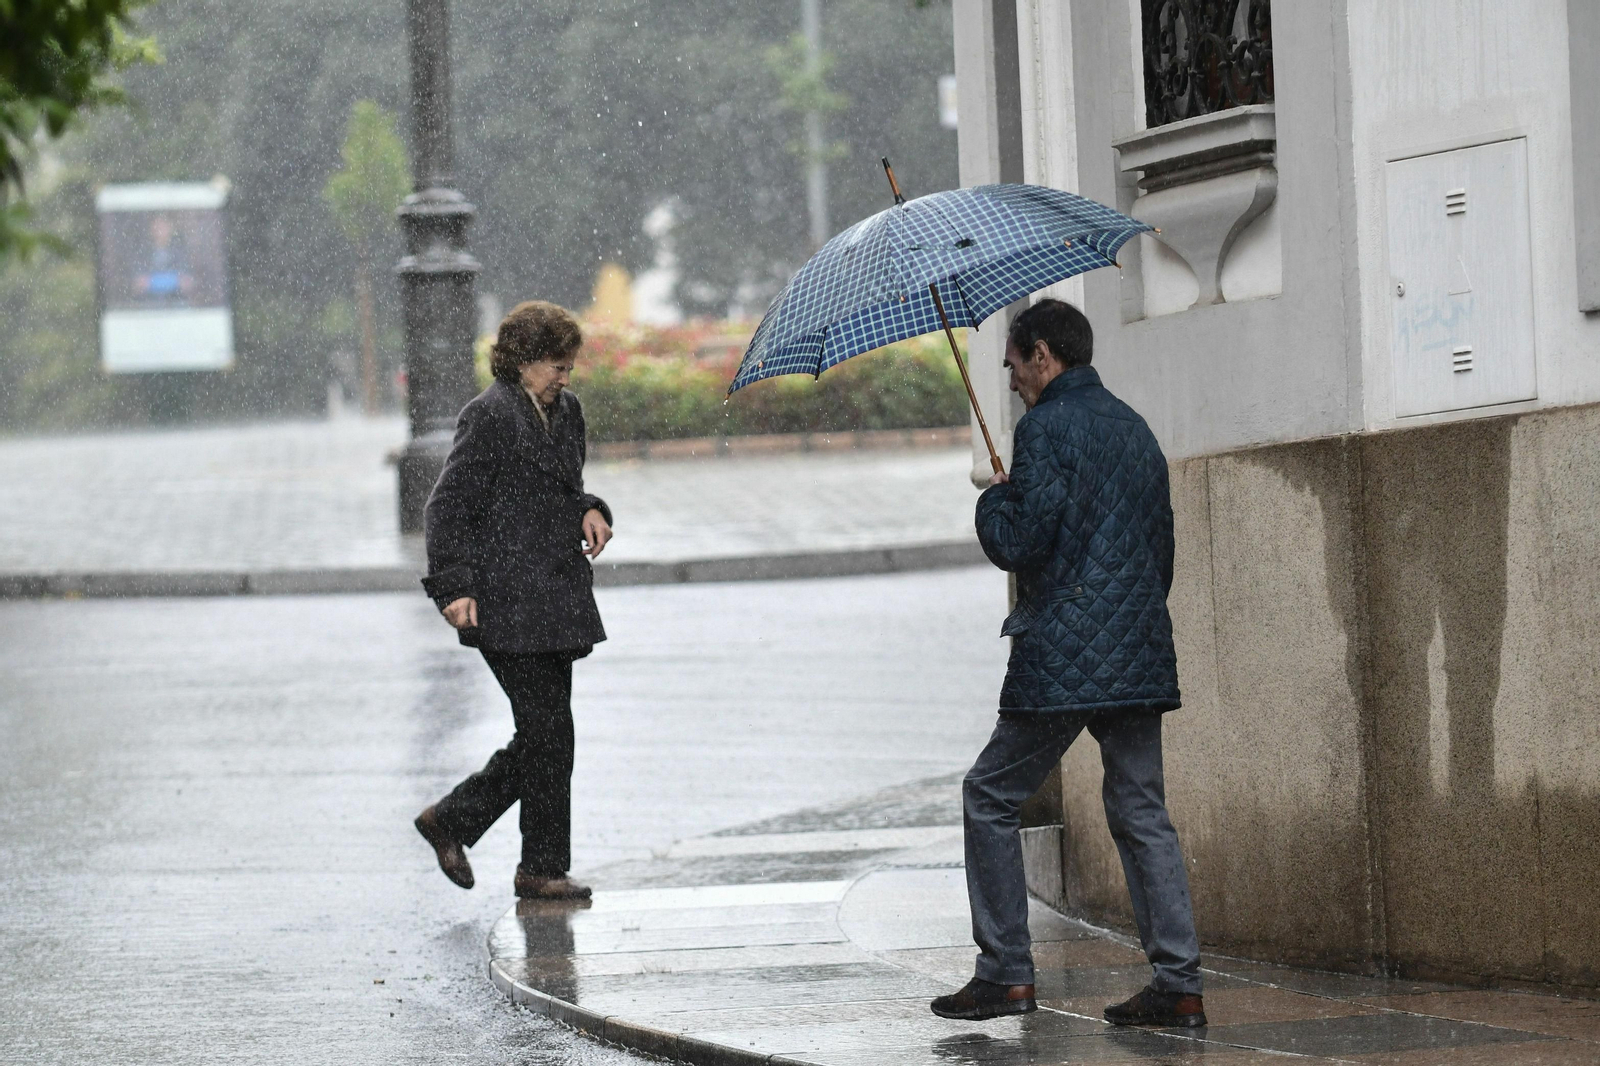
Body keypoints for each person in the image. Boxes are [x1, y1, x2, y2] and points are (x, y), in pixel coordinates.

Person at [929, 299, 1205, 1027]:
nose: (1011, 380)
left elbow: (1021, 542)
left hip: (1066, 652)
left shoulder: (1044, 428)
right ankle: (1179, 983)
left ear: (1043, 356)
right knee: (1141, 810)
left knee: (989, 794)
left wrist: (994, 501)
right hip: (1138, 648)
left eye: (1015, 364)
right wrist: (1126, 619)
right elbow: (1161, 550)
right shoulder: (1134, 427)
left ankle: (1005, 974)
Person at [412, 300, 614, 901]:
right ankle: (534, 866)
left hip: (553, 595)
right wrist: (453, 588)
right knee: (549, 733)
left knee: (548, 736)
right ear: (523, 361)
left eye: (569, 367)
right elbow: (446, 507)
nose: (565, 378)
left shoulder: (567, 411)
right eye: (557, 366)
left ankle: (465, 827)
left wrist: (590, 508)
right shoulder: (490, 415)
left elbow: (563, 487)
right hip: (504, 600)